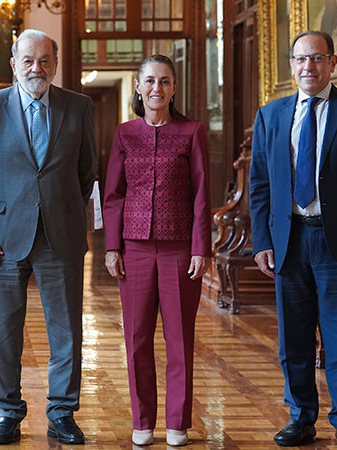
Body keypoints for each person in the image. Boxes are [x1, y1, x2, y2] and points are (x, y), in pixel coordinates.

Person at [0, 29, 97, 445]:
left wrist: (66, 210)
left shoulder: (79, 106)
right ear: (14, 65)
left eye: (45, 60)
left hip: (62, 236)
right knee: (4, 332)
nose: (36, 68)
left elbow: (86, 170)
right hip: (2, 239)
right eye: (28, 60)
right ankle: (6, 412)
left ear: (54, 64)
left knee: (67, 331)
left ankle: (62, 413)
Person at [249, 31, 337, 449]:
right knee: (294, 336)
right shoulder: (270, 115)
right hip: (288, 240)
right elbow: (259, 184)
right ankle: (300, 417)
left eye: (317, 58)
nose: (308, 67)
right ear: (291, 65)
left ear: (333, 62)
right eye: (300, 59)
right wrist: (261, 241)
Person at [102, 54, 211, 447]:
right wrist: (112, 246)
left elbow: (201, 194)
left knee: (180, 339)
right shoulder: (124, 133)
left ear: (174, 87)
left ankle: (178, 424)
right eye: (149, 81)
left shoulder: (192, 131)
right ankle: (143, 421)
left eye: (165, 81)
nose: (157, 89)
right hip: (133, 250)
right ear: (138, 86)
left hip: (181, 250)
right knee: (137, 339)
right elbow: (113, 195)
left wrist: (202, 248)